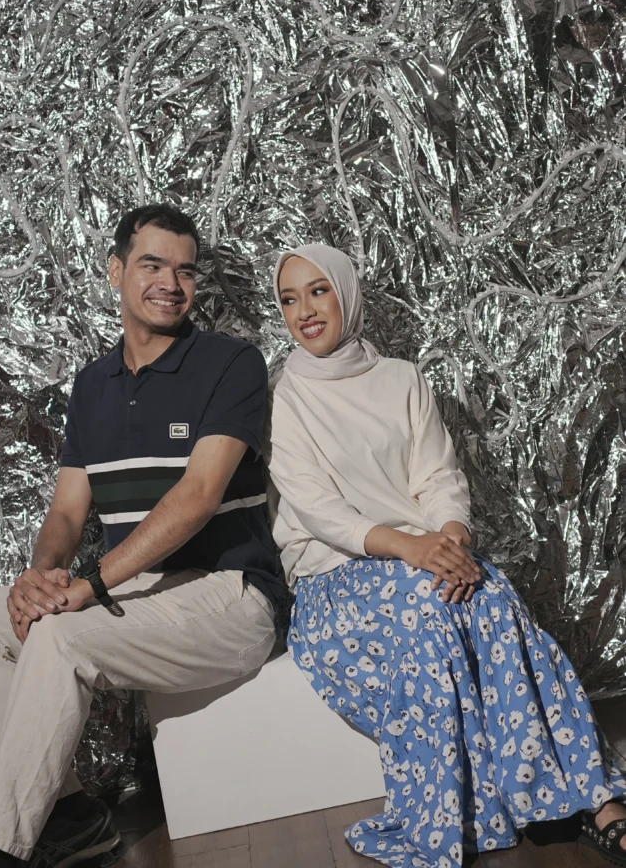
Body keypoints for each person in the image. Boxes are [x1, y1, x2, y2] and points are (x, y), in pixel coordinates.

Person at [266, 242, 626, 868]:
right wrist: (415, 549)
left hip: (426, 552)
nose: (306, 311)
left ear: (346, 294)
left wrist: (452, 542)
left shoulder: (401, 378)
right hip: (336, 575)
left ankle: (596, 802)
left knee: (495, 599)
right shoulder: (284, 394)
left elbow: (438, 477)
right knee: (429, 614)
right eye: (289, 299)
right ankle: (457, 816)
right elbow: (320, 511)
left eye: (318, 291)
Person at [0, 204, 281, 868]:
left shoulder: (230, 363)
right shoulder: (93, 385)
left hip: (231, 596)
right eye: (152, 265)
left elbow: (195, 499)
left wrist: (90, 585)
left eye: (185, 271)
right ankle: (68, 817)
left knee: (60, 636)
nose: (171, 284)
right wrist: (42, 577)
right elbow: (68, 515)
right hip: (142, 591)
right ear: (115, 271)